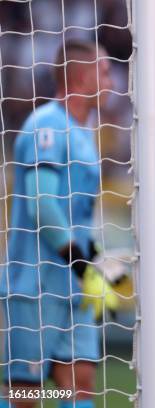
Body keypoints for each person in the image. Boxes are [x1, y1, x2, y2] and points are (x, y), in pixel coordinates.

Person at [0, 39, 115, 408]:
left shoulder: (84, 136)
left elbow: (75, 213)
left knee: (80, 382)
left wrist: (97, 260)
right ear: (82, 78)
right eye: (105, 72)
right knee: (26, 394)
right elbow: (42, 205)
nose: (112, 82)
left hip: (73, 282)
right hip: (34, 283)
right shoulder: (45, 126)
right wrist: (82, 262)